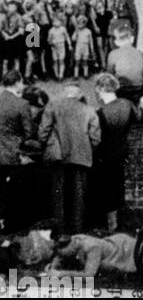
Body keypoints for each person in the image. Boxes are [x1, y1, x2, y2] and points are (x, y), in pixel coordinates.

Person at [38, 81, 101, 234]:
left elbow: (43, 132)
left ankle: (60, 231)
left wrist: (45, 146)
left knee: (58, 194)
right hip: (81, 156)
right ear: (79, 95)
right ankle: (77, 231)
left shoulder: (53, 106)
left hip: (58, 156)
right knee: (79, 195)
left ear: (64, 93)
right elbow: (96, 138)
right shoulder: (89, 110)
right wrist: (86, 149)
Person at [91, 74, 137, 232]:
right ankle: (116, 221)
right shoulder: (127, 104)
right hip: (121, 151)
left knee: (106, 188)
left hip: (104, 154)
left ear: (101, 89)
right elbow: (140, 117)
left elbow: (96, 136)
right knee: (117, 186)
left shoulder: (100, 112)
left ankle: (110, 224)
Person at [0, 67, 35, 232]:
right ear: (17, 83)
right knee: (12, 193)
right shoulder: (22, 104)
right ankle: (10, 226)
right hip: (11, 155)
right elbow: (29, 133)